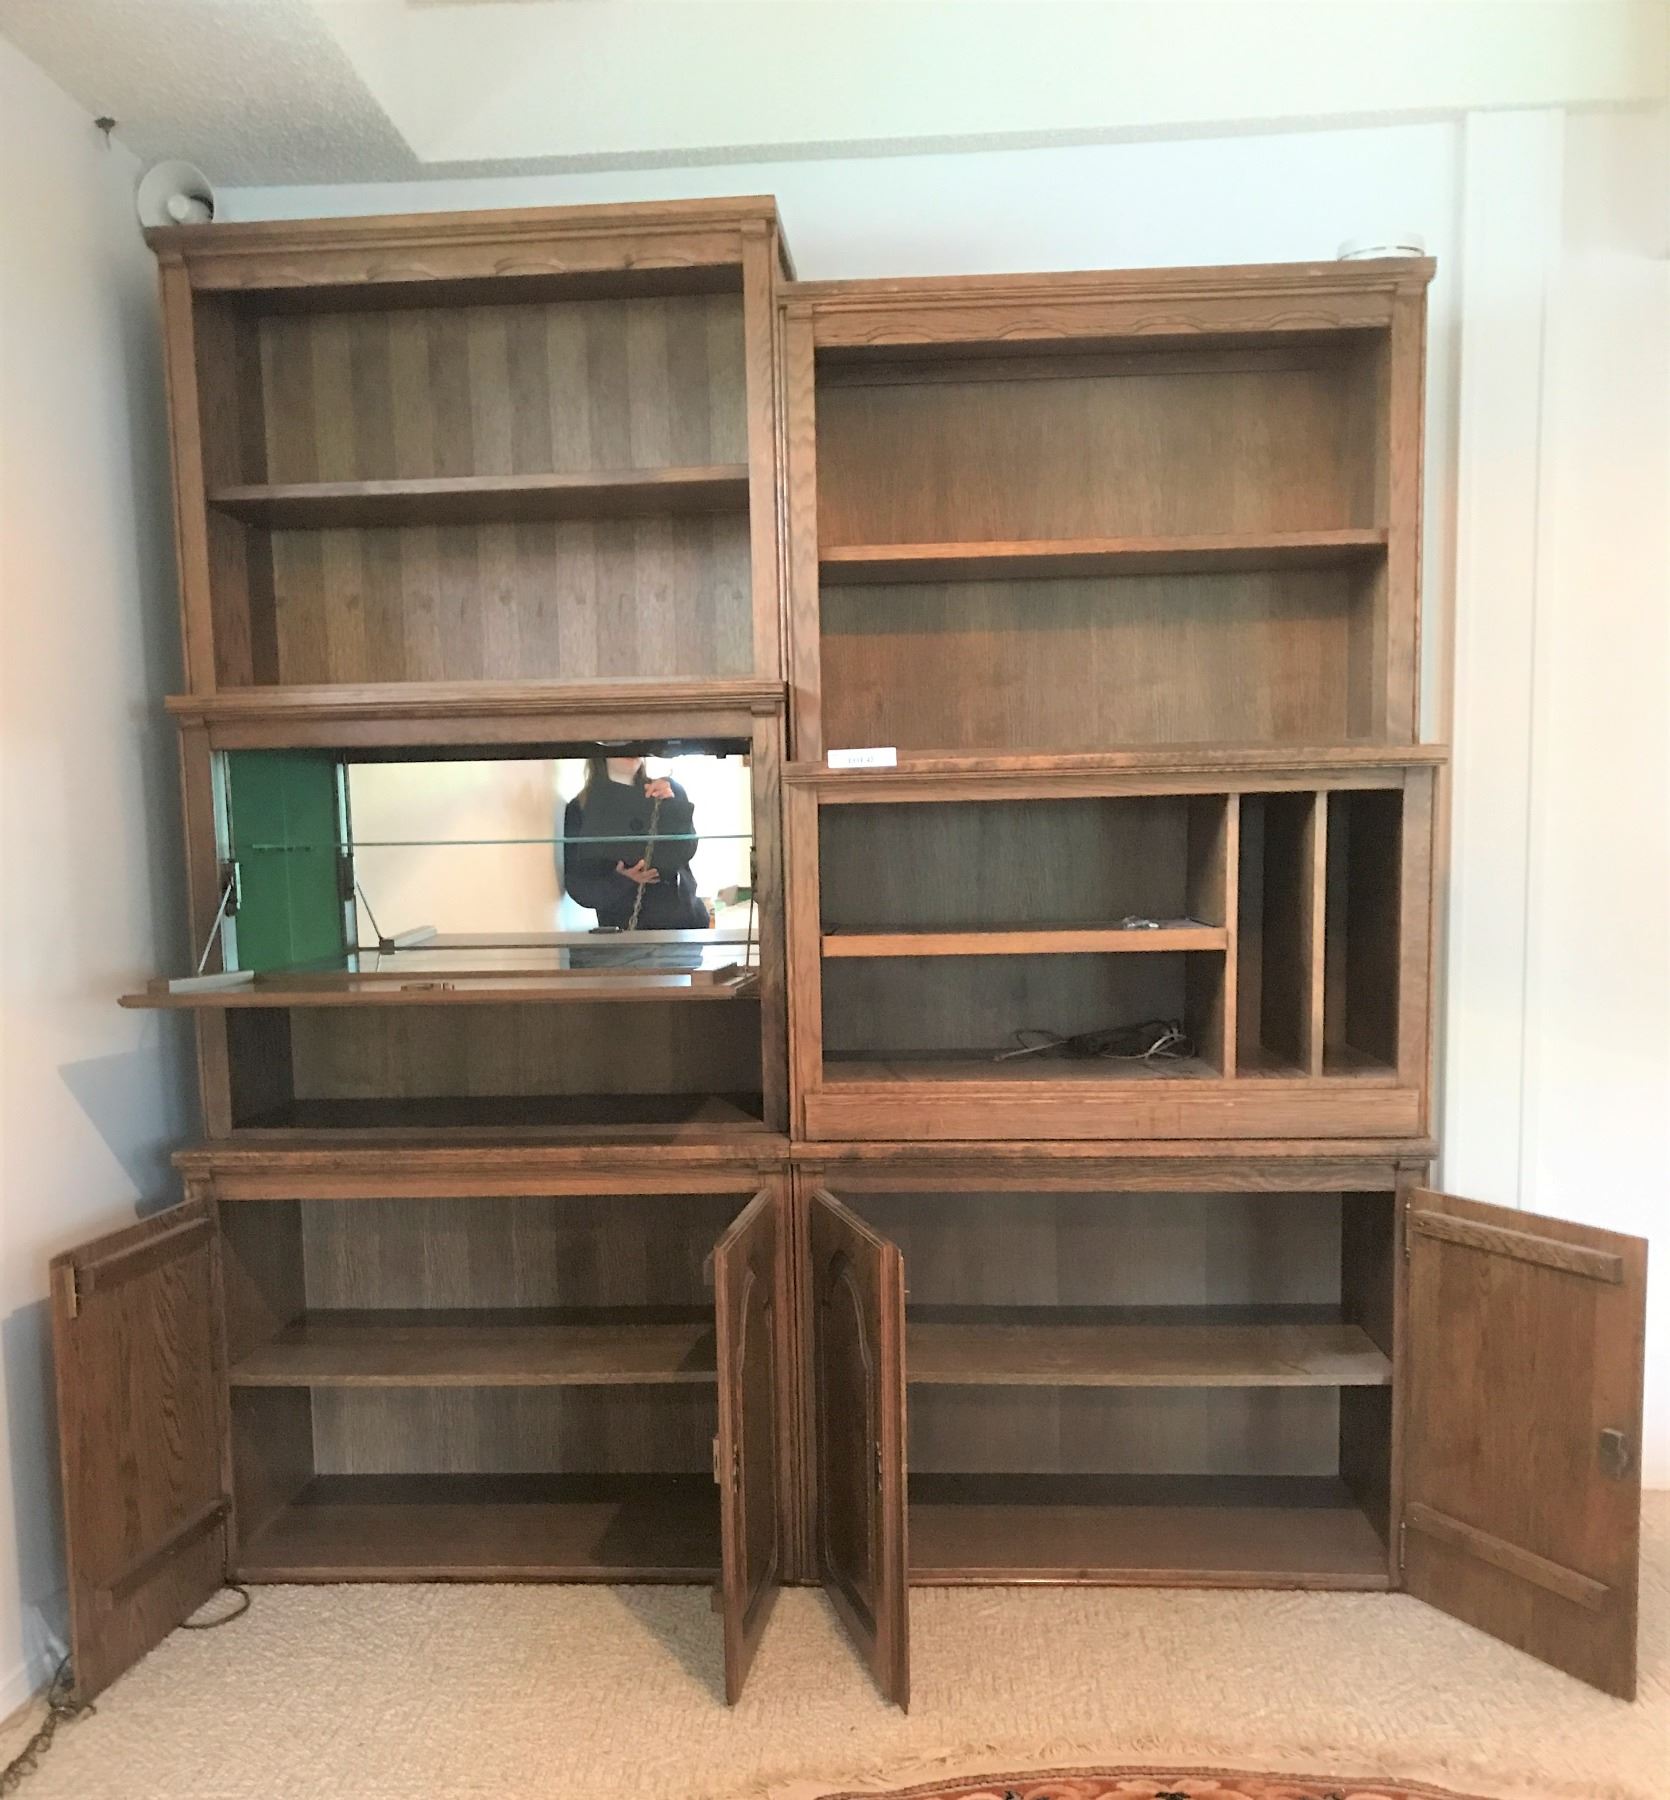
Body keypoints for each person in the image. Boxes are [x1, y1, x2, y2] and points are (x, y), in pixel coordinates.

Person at [559, 755, 710, 932]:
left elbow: (687, 849)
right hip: (628, 931)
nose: (630, 749)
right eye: (618, 742)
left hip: (685, 923)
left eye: (636, 743)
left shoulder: (666, 789)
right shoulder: (581, 808)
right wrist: (622, 880)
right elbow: (579, 886)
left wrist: (672, 806)